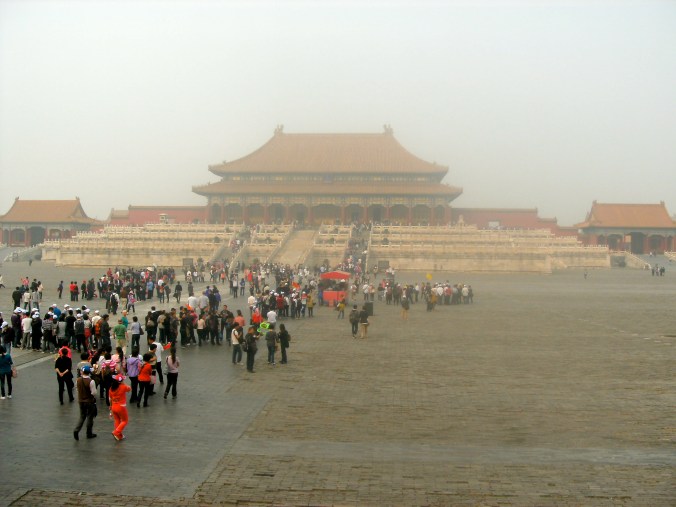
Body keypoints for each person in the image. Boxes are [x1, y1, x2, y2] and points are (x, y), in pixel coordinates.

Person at [73, 365, 97, 440]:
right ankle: (89, 433)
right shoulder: (91, 381)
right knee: (90, 417)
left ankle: (76, 430)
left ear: (82, 372)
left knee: (82, 416)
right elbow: (94, 393)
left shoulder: (78, 380)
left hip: (81, 401)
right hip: (89, 402)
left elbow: (77, 388)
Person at [108, 374, 131, 440]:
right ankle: (116, 432)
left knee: (117, 420)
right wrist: (123, 383)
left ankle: (119, 436)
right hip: (121, 407)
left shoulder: (111, 388)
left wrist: (110, 407)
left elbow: (110, 399)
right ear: (121, 381)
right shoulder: (123, 387)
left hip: (114, 406)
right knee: (125, 420)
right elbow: (129, 388)